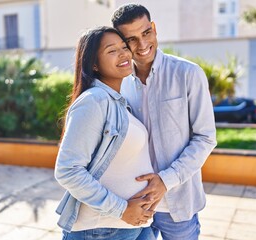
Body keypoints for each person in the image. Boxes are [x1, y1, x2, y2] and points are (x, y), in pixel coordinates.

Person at [112, 4, 217, 240]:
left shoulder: (188, 74)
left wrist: (165, 180)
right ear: (122, 43)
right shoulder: (120, 84)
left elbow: (206, 138)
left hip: (177, 205)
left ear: (155, 29)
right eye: (131, 39)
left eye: (146, 33)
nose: (142, 45)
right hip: (135, 204)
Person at [54, 26, 156, 240]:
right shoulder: (95, 100)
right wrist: (122, 209)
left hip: (132, 225)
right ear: (93, 63)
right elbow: (68, 170)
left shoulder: (117, 102)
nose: (124, 53)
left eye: (124, 47)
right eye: (112, 51)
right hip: (102, 229)